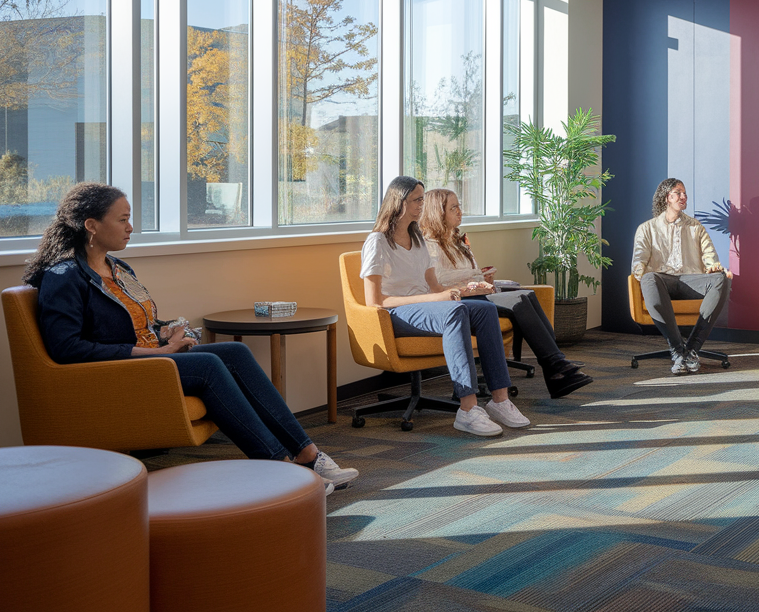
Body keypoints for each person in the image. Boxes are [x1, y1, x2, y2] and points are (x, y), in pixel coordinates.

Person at [27, 183, 358, 494]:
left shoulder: (119, 268)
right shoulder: (64, 277)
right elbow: (67, 348)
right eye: (123, 220)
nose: (131, 227)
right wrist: (151, 351)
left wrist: (168, 331)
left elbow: (143, 322)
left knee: (234, 352)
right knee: (208, 365)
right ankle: (280, 467)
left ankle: (308, 455)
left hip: (150, 359)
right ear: (92, 225)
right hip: (114, 372)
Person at [361, 177, 529, 437]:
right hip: (395, 313)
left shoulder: (417, 239)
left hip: (425, 308)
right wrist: (434, 300)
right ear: (399, 202)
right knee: (455, 311)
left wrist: (456, 293)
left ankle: (499, 400)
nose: (421, 204)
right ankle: (467, 408)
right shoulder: (378, 242)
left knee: (483, 310)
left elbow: (434, 287)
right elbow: (375, 301)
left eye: (422, 199)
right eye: (417, 199)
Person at [418, 188, 593, 399]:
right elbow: (437, 285)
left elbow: (464, 275)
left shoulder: (456, 242)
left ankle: (556, 366)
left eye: (459, 206)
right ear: (437, 212)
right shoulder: (430, 246)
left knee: (527, 294)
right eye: (453, 208)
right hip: (460, 301)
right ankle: (556, 368)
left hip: (476, 294)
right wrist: (475, 284)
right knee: (519, 298)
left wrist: (483, 279)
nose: (459, 211)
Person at [631, 178, 732, 374]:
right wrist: (643, 279)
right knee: (649, 277)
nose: (683, 197)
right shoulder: (647, 228)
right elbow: (638, 262)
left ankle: (690, 350)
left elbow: (710, 256)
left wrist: (714, 267)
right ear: (667, 197)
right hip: (662, 281)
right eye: (678, 193)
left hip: (690, 281)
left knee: (721, 278)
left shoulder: (696, 227)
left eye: (685, 193)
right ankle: (678, 349)